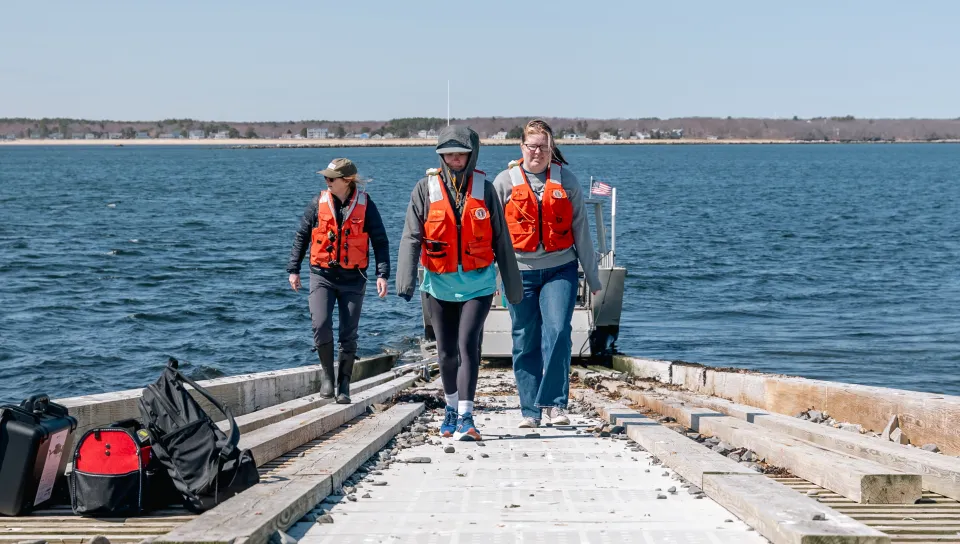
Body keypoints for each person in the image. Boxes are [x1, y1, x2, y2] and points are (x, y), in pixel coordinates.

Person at [397, 125, 522, 441]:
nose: (454, 158)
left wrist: (512, 285)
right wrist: (406, 279)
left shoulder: (486, 189)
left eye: (460, 153)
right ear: (440, 156)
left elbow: (502, 241)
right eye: (448, 153)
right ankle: (450, 410)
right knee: (446, 352)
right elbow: (411, 236)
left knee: (468, 346)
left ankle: (467, 417)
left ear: (471, 154)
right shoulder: (424, 190)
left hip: (478, 285)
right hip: (437, 285)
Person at [493, 119, 602, 428]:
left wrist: (592, 277)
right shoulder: (504, 182)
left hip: (560, 269)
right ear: (521, 148)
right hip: (519, 273)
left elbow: (581, 232)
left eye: (543, 146)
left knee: (557, 332)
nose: (537, 152)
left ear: (552, 148)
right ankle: (530, 411)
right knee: (524, 339)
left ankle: (555, 404)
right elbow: (492, 237)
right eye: (532, 146)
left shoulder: (567, 181)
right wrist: (492, 279)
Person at [287, 158, 390, 404]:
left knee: (348, 332)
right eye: (326, 178)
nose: (327, 181)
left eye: (331, 178)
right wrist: (293, 269)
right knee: (321, 324)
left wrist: (382, 274)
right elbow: (302, 236)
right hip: (321, 275)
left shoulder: (366, 205)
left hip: (354, 278)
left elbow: (380, 241)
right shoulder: (317, 203)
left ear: (347, 180)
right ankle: (327, 376)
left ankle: (344, 383)